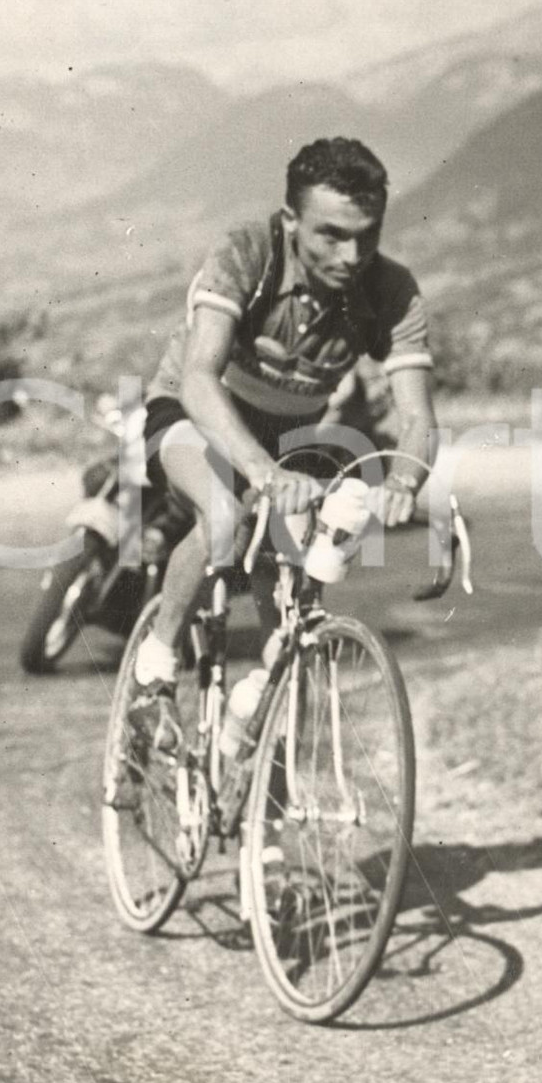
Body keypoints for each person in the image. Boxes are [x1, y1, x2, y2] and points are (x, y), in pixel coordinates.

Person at [131, 136, 437, 742]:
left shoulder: (390, 290)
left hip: (289, 437)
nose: (351, 256)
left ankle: (253, 736)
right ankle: (154, 672)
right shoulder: (248, 253)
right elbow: (199, 378)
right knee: (224, 516)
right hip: (195, 412)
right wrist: (262, 472)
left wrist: (405, 480)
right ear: (291, 219)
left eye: (367, 235)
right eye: (331, 236)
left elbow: (418, 418)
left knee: (294, 608)